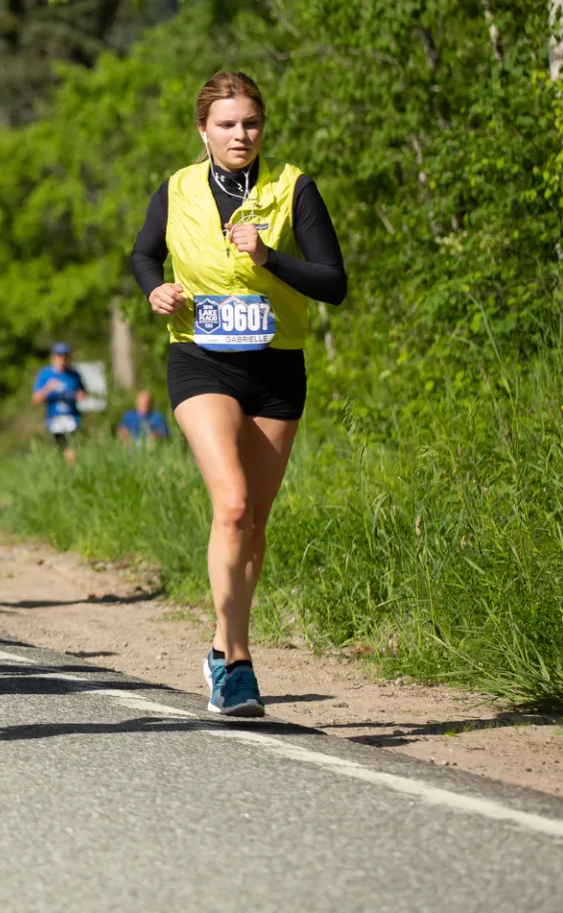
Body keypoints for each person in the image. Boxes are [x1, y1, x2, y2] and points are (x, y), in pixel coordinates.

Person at [130, 70, 346, 718]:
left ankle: (221, 644)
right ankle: (238, 664)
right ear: (203, 131)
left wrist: (271, 257)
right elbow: (143, 255)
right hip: (200, 359)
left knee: (254, 525)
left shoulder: (294, 187)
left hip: (276, 365)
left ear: (263, 127)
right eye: (226, 124)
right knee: (232, 505)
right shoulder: (176, 189)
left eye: (250, 123)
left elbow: (333, 283)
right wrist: (154, 290)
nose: (240, 135)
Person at [31, 343, 88, 466]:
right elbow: (35, 399)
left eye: (65, 356)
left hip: (72, 417)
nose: (62, 359)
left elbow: (83, 393)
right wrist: (47, 388)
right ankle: (65, 470)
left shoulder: (74, 375)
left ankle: (72, 471)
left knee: (72, 447)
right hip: (54, 418)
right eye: (59, 356)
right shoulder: (45, 374)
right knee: (59, 448)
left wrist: (81, 396)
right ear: (53, 357)